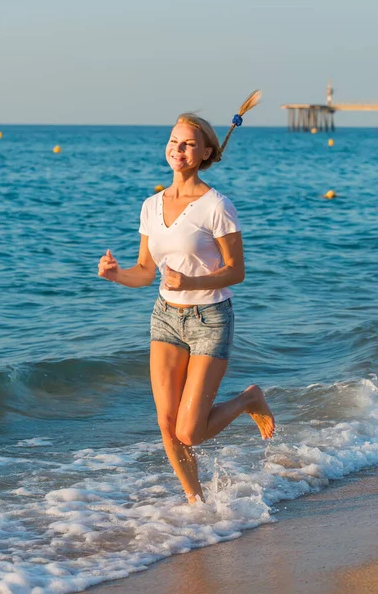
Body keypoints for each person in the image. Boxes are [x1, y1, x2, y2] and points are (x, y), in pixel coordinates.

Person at [98, 113, 275, 504]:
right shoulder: (151, 205)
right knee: (166, 423)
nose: (178, 149)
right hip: (165, 317)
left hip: (209, 320)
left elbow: (237, 271)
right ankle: (196, 503)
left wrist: (191, 282)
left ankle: (248, 399)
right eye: (174, 141)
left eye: (188, 144)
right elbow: (146, 272)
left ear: (207, 152)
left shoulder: (217, 205)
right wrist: (116, 275)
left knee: (190, 431)